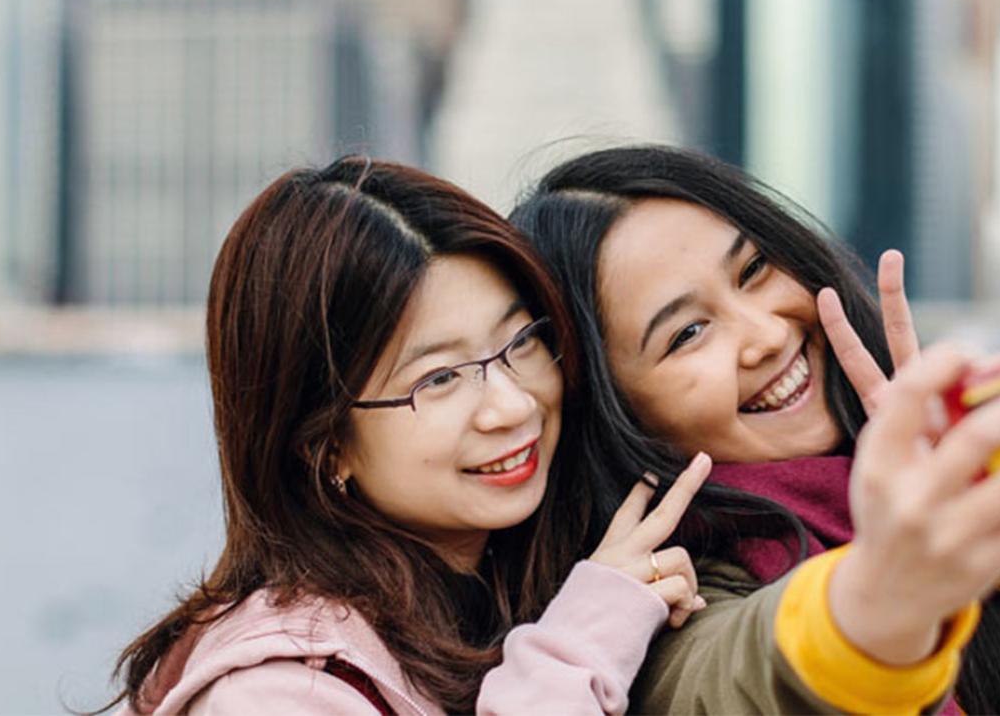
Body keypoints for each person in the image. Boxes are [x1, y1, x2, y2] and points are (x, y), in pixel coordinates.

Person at [511, 144, 1000, 714]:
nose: (762, 332)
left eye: (755, 271)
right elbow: (733, 684)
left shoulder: (975, 458)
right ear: (621, 415)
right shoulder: (660, 610)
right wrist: (885, 591)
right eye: (686, 335)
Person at [107, 157, 712, 715]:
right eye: (441, 378)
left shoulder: (535, 581)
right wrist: (583, 645)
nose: (512, 404)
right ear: (323, 447)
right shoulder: (278, 690)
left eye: (521, 341)